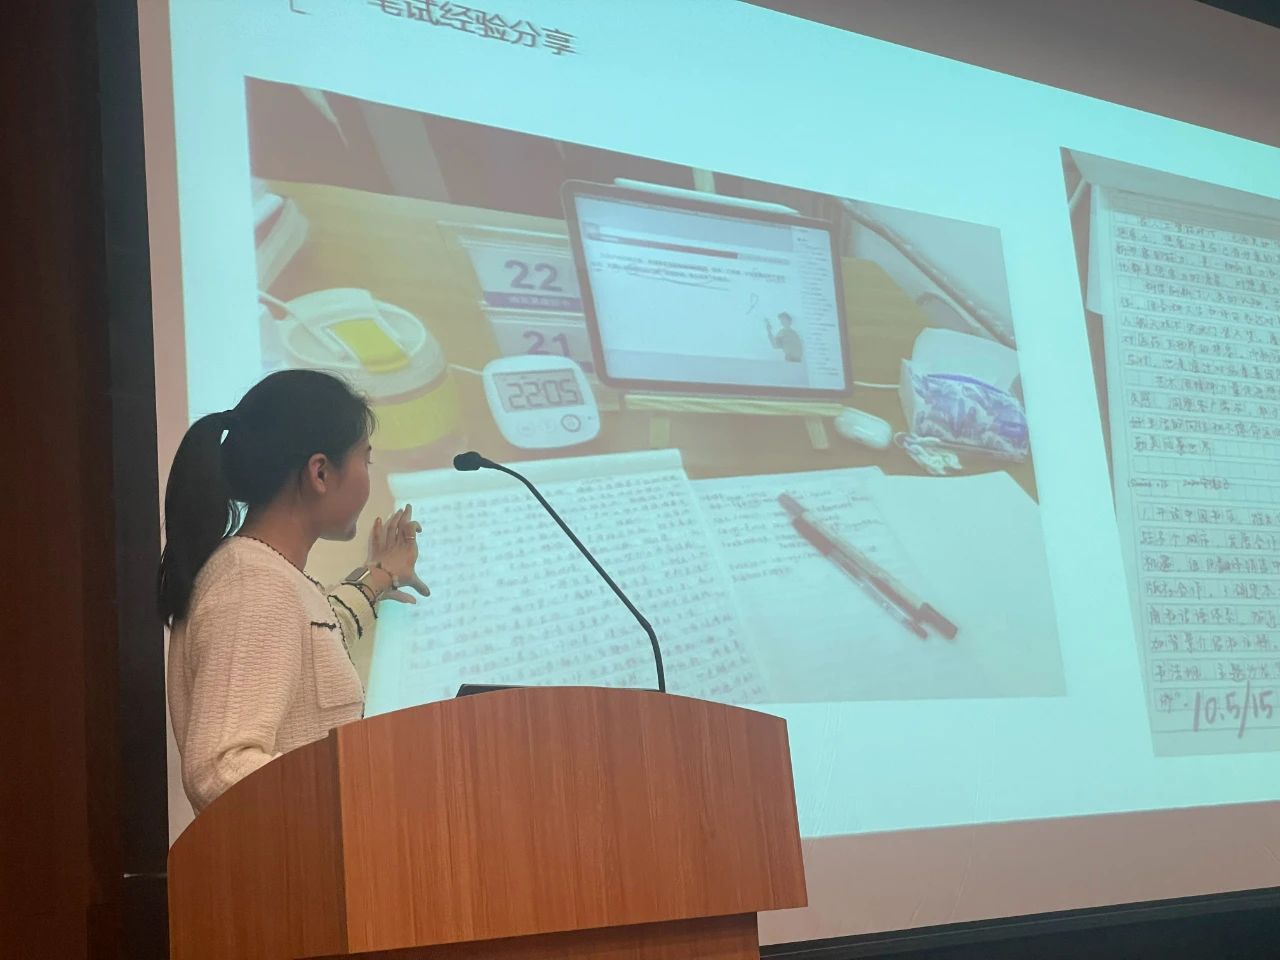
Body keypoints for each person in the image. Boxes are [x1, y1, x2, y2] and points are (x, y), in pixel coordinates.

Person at [159, 370, 430, 814]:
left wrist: (381, 576)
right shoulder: (253, 585)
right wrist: (362, 791)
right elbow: (219, 769)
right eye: (365, 460)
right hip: (292, 857)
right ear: (320, 472)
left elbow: (316, 632)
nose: (368, 477)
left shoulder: (265, 575)